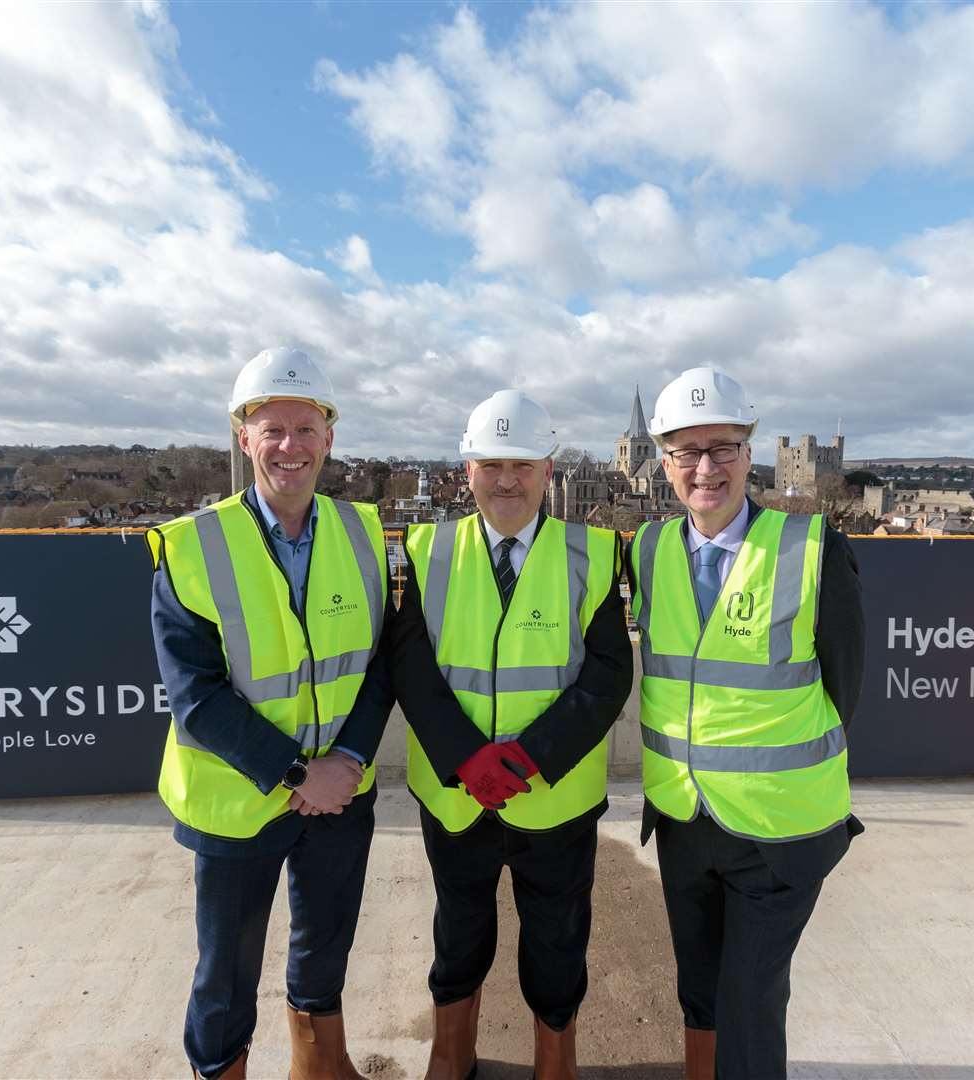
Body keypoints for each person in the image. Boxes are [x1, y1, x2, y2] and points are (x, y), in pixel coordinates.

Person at [147, 347, 393, 1080]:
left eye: (306, 427)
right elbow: (196, 698)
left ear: (329, 437)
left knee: (325, 947)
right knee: (226, 971)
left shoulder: (364, 533)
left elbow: (380, 664)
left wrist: (343, 764)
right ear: (243, 436)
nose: (291, 446)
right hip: (238, 801)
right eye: (272, 429)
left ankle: (320, 1068)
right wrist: (296, 775)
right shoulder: (193, 545)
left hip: (341, 795)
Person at [629, 366, 865, 1080]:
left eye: (724, 448)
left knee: (749, 998)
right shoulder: (648, 550)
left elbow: (844, 684)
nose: (706, 468)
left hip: (780, 832)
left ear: (749, 453)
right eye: (687, 451)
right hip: (682, 819)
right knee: (698, 992)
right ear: (664, 462)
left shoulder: (812, 548)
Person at [391, 389, 632, 1080]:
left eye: (523, 464)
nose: (506, 480)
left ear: (548, 470)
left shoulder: (592, 552)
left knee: (557, 941)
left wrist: (525, 759)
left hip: (551, 801)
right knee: (458, 931)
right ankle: (451, 1053)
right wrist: (468, 760)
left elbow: (609, 673)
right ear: (466, 471)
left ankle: (555, 1061)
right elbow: (409, 665)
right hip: (456, 795)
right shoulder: (425, 548)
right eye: (490, 464)